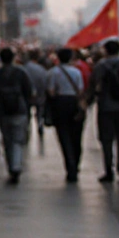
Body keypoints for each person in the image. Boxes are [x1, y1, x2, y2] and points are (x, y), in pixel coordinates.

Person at [87, 40, 119, 184]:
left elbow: (92, 85)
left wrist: (87, 103)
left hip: (106, 108)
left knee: (106, 141)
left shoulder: (101, 66)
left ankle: (109, 170)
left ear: (105, 50)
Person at [0, 47, 33, 184]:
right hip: (19, 111)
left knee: (7, 141)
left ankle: (11, 167)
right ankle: (16, 166)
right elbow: (28, 92)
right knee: (18, 140)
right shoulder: (21, 73)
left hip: (2, 113)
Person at [46, 47, 87, 182]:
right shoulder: (76, 72)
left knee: (64, 137)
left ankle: (70, 167)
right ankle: (76, 163)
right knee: (77, 137)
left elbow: (51, 91)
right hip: (74, 104)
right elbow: (80, 90)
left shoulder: (53, 72)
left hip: (60, 104)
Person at [21, 50, 50, 149]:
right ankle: (40, 125)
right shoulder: (41, 69)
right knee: (39, 112)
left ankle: (26, 128)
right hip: (39, 96)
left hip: (26, 96)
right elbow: (45, 82)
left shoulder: (23, 69)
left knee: (27, 113)